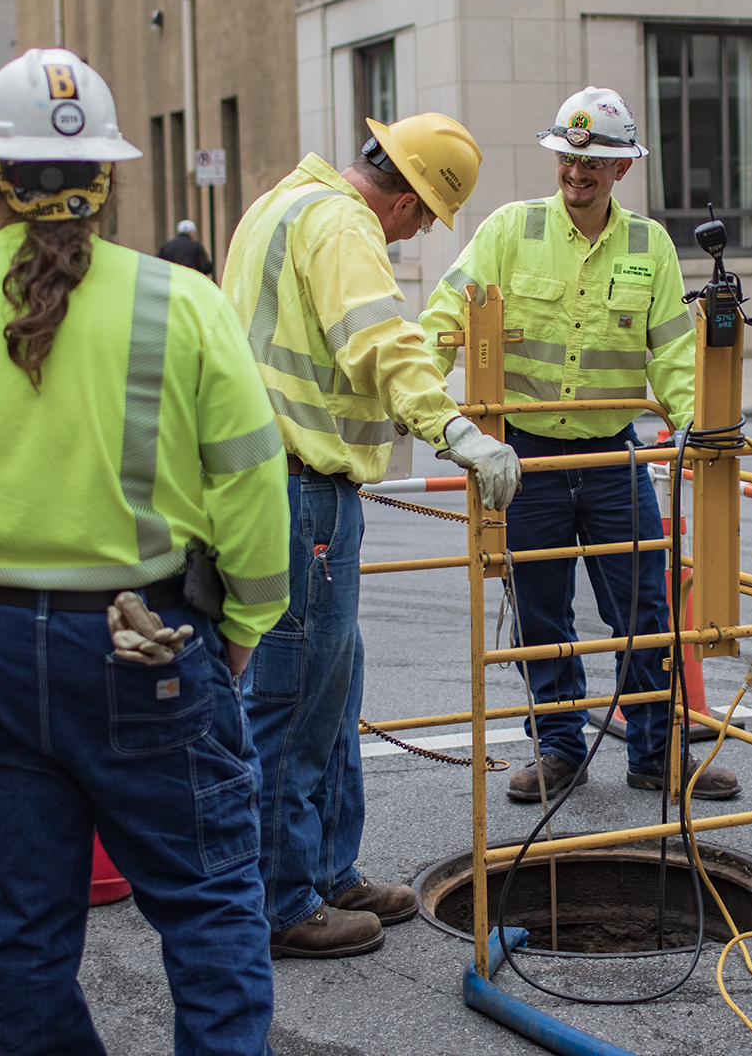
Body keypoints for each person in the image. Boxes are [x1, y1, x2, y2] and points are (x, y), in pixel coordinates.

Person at [0, 50, 290, 1056]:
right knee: (210, 905)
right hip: (154, 640)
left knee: (21, 931)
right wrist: (247, 626)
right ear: (110, 179)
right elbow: (255, 489)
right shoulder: (185, 306)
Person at [220, 114, 522, 959]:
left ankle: (326, 870)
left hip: (278, 486)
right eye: (425, 217)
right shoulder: (343, 225)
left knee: (329, 686)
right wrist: (455, 431)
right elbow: (382, 343)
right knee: (293, 695)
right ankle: (286, 901)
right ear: (410, 200)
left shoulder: (282, 204)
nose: (417, 233)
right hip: (298, 490)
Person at [420, 87, 741, 807]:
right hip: (527, 456)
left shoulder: (647, 245)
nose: (578, 170)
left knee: (644, 614)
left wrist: (698, 423)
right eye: (569, 156)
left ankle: (657, 755)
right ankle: (560, 752)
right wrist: (421, 401)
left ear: (622, 168)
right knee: (540, 614)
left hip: (611, 461)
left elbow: (672, 354)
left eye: (594, 160)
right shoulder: (510, 230)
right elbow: (444, 319)